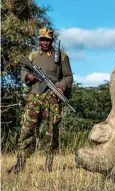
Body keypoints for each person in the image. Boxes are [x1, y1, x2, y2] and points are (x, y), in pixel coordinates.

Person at [7, 28, 73, 174]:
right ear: (39, 40)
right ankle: (19, 164)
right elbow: (23, 70)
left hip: (52, 98)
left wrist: (61, 86)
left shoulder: (61, 57)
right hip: (33, 98)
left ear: (52, 41)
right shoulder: (32, 55)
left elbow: (68, 76)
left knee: (51, 132)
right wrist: (28, 77)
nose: (44, 42)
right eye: (42, 39)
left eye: (47, 40)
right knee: (26, 130)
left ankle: (48, 166)